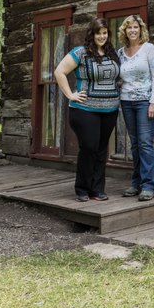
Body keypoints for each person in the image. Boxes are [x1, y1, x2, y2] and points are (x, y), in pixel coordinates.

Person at [53, 18, 120, 202]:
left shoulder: (112, 53)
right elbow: (59, 72)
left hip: (110, 110)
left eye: (105, 32)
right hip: (84, 109)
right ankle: (82, 188)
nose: (102, 36)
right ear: (92, 34)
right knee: (89, 147)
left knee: (100, 149)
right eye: (99, 32)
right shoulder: (80, 53)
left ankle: (97, 190)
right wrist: (70, 95)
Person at [117, 14, 154, 201]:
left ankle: (148, 185)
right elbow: (119, 77)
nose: (133, 30)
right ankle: (136, 184)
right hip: (126, 102)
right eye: (129, 27)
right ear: (125, 31)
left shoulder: (148, 49)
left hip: (145, 102)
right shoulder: (120, 52)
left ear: (141, 29)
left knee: (145, 143)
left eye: (136, 27)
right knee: (134, 145)